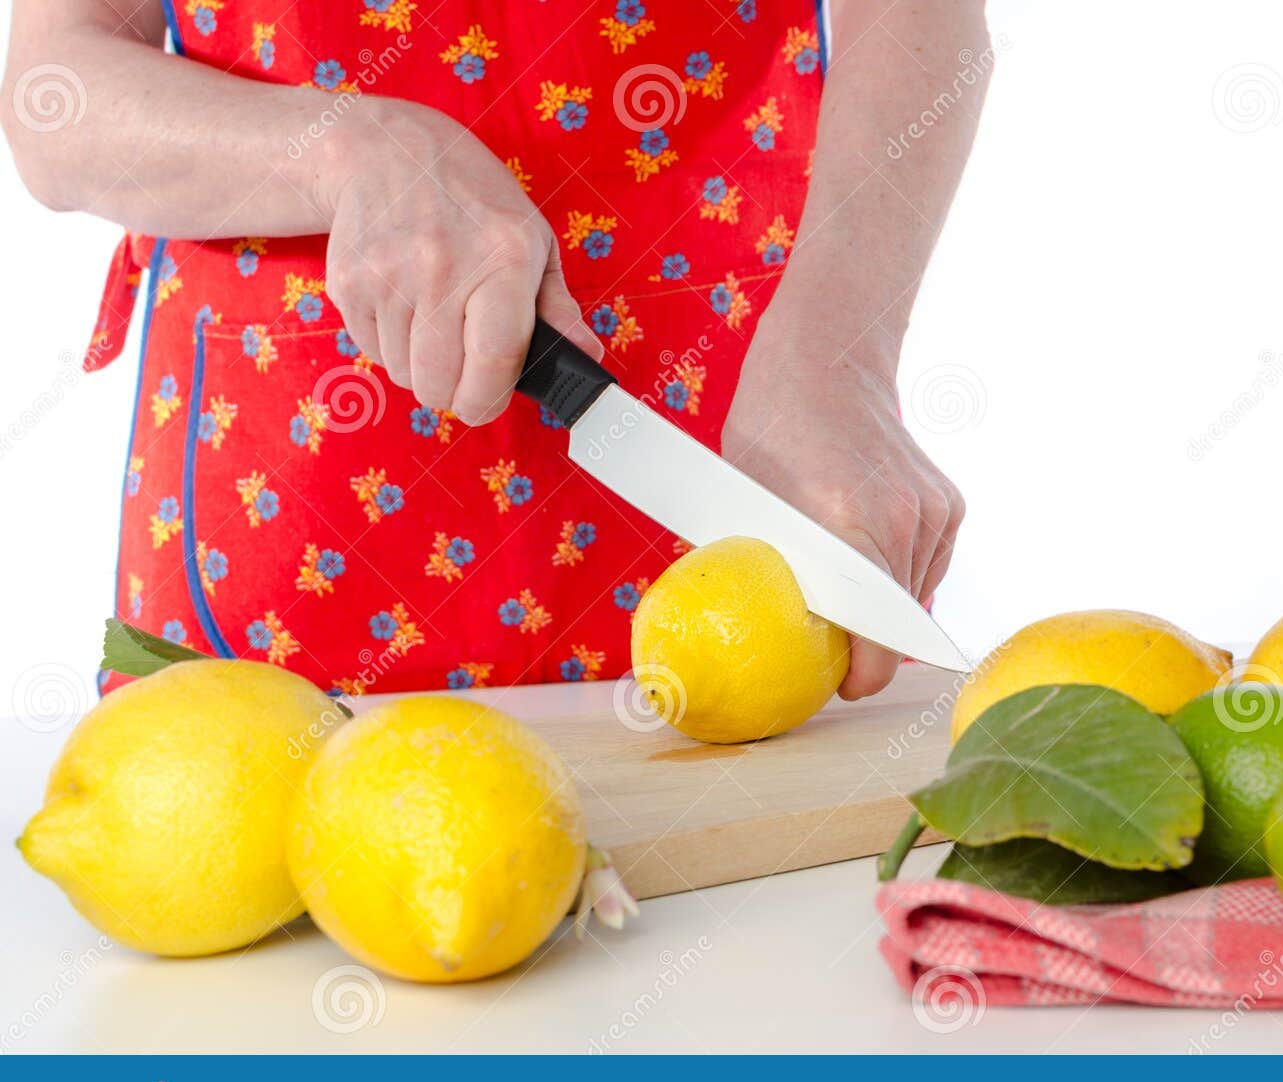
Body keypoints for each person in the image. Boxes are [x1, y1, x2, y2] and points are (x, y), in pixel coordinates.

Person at [3, 0, 985, 700]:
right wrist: (350, 150)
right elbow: (56, 98)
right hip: (289, 502)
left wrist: (836, 352)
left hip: (739, 442)